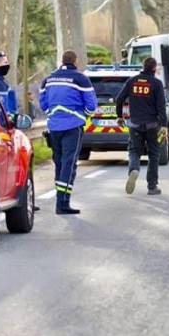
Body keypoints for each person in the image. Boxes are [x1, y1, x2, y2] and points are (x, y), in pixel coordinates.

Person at [39, 50, 97, 215]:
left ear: (61, 61)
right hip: (73, 126)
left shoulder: (48, 79)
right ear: (75, 61)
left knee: (59, 162)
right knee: (69, 163)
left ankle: (61, 201)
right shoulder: (80, 78)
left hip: (54, 127)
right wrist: (84, 114)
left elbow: (43, 105)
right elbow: (91, 105)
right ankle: (62, 203)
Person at [116, 57, 168, 196]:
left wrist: (119, 116)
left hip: (135, 124)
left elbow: (120, 99)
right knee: (154, 154)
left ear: (143, 66)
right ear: (154, 68)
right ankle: (152, 186)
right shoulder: (156, 83)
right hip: (152, 125)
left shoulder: (132, 81)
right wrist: (164, 125)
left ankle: (134, 169)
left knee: (134, 151)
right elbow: (161, 107)